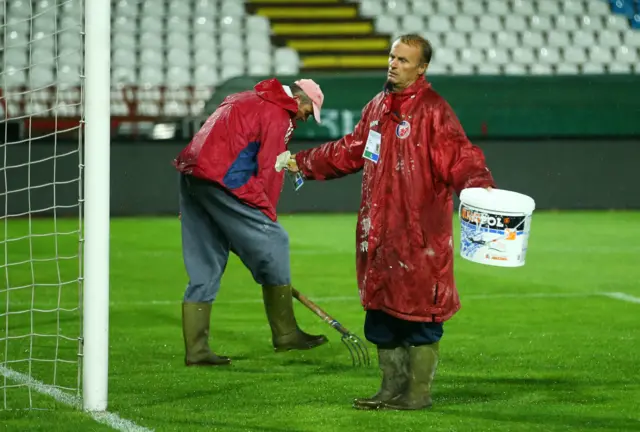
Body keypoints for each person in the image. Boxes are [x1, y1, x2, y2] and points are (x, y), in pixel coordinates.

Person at [287, 34, 496, 410]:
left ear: (422, 68)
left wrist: (480, 189)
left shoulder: (434, 111)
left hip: (420, 239)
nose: (393, 63)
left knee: (420, 319)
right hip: (378, 236)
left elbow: (461, 157)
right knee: (381, 317)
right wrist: (302, 162)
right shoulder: (377, 107)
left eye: (403, 59)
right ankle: (388, 389)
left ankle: (417, 393)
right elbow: (349, 150)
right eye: (392, 56)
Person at [173, 77, 329, 367]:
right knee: (276, 241)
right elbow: (269, 169)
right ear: (298, 100)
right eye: (308, 112)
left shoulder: (244, 97)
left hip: (194, 176)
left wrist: (197, 203)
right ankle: (286, 333)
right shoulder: (277, 115)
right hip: (224, 180)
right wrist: (266, 217)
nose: (305, 119)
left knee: (206, 268)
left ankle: (197, 350)